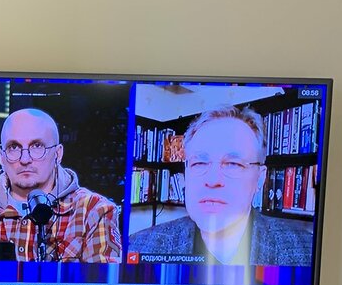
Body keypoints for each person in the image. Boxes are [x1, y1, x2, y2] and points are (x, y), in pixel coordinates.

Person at [128, 105, 313, 266]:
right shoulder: (138, 247)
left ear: (260, 178)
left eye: (233, 164)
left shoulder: (306, 252)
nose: (212, 180)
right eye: (199, 163)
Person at [0, 107, 121, 262]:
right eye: (14, 147)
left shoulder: (95, 211)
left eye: (37, 146)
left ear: (58, 154)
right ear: (1, 158)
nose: (25, 159)